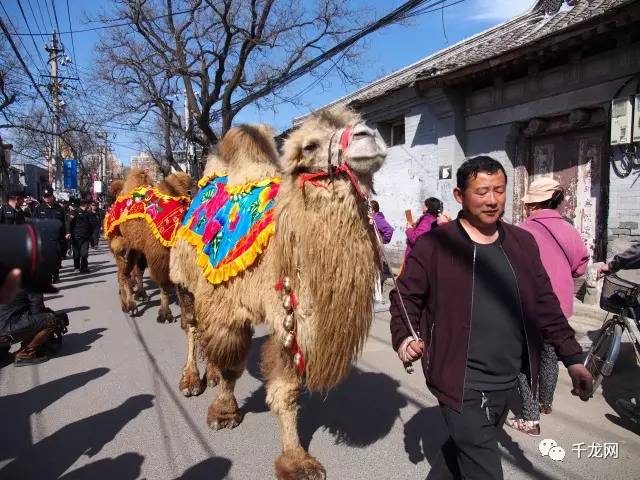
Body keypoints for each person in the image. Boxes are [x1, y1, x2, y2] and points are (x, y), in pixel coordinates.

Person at [389, 156, 593, 480]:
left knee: (458, 457)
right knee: (482, 465)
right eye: (482, 191)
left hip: (508, 379)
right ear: (459, 195)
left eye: (499, 190)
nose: (492, 199)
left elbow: (545, 303)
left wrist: (573, 357)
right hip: (460, 383)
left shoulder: (522, 242)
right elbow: (404, 297)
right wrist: (405, 337)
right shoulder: (435, 245)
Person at [505, 177, 590, 436]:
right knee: (551, 356)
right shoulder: (569, 230)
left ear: (532, 204)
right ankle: (545, 403)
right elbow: (581, 268)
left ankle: (529, 418)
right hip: (559, 306)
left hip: (527, 306)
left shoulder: (520, 231)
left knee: (521, 360)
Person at [0, 286, 66, 366]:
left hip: (5, 332)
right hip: (6, 335)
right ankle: (26, 355)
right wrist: (55, 316)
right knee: (50, 319)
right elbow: (38, 311)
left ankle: (2, 354)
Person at [32, 187, 67, 282]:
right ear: (43, 197)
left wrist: (66, 234)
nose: (47, 198)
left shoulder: (59, 208)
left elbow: (63, 223)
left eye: (49, 196)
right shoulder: (39, 208)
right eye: (45, 196)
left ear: (52, 196)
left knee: (56, 258)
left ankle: (55, 274)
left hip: (56, 238)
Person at [370, 200, 394, 312]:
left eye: (369, 208)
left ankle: (377, 298)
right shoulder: (373, 217)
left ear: (373, 209)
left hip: (375, 248)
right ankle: (373, 296)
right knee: (373, 272)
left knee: (375, 272)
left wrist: (382, 241)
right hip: (372, 248)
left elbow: (389, 229)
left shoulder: (376, 218)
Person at [67, 199, 93, 273]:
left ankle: (84, 267)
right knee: (77, 254)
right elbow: (68, 222)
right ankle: (77, 267)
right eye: (88, 205)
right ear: (85, 205)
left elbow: (90, 225)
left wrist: (91, 236)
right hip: (76, 237)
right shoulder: (74, 212)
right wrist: (68, 232)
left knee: (84, 253)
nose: (88, 206)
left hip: (85, 237)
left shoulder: (87, 213)